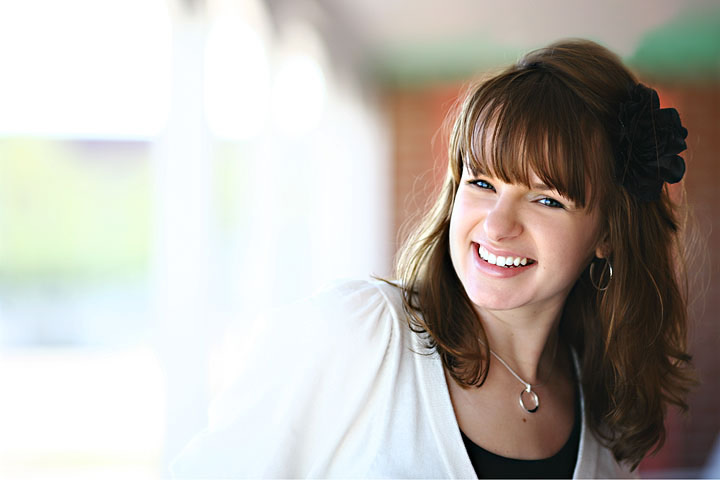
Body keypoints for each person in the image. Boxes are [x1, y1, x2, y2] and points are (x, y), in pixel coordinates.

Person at [171, 39, 695, 478]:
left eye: (546, 199)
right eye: (482, 181)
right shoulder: (360, 335)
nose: (496, 225)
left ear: (607, 231)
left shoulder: (605, 416)